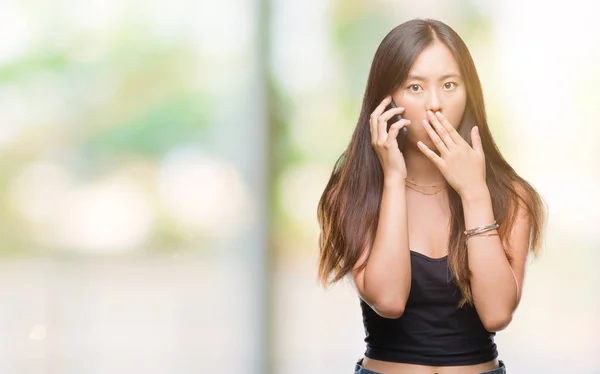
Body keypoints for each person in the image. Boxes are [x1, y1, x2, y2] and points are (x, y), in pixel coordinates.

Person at [316, 19, 545, 374]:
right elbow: (389, 301)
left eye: (449, 85)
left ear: (469, 92)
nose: (435, 103)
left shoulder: (511, 196)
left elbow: (497, 313)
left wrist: (473, 192)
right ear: (387, 97)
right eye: (415, 87)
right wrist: (393, 177)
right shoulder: (352, 194)